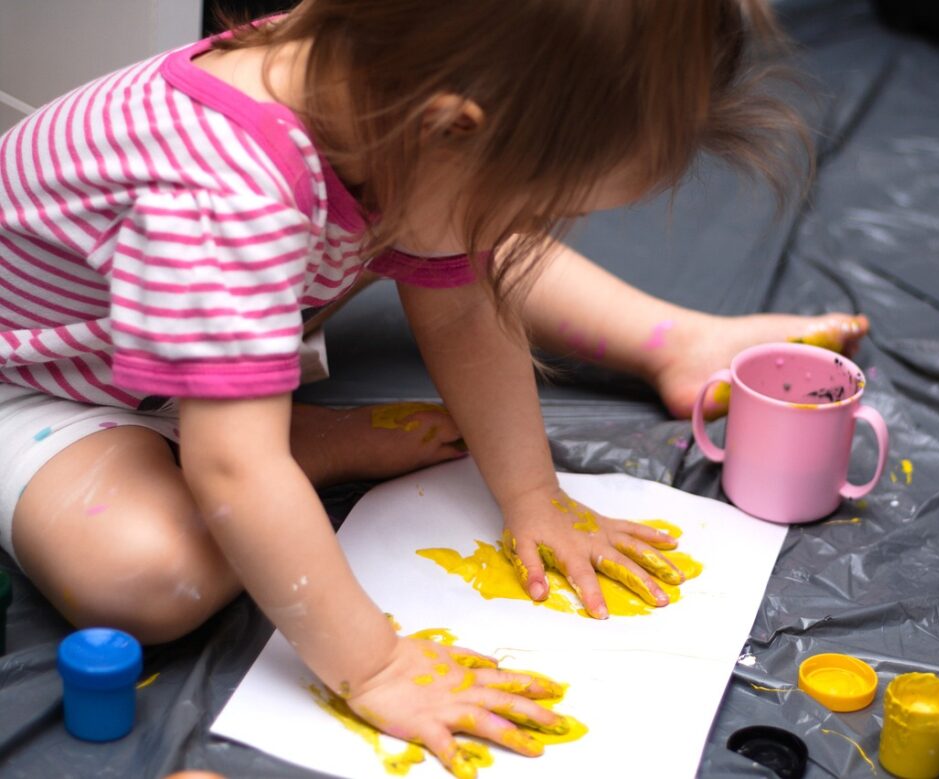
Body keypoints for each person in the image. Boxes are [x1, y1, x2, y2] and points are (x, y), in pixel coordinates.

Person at [0, 1, 867, 774]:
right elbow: (233, 480)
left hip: (197, 312)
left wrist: (534, 493)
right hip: (39, 384)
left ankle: (671, 339)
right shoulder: (225, 194)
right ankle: (264, 436)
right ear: (450, 125)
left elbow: (460, 302)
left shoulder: (377, 88)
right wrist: (374, 664)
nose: (533, 226)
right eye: (541, 202)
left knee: (459, 240)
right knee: (145, 573)